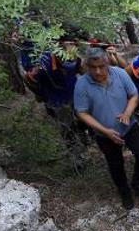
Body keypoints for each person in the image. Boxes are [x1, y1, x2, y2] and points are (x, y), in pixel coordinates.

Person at [74, 47, 139, 209]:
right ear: (87, 66)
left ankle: (138, 183)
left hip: (129, 125)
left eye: (101, 66)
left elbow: (134, 95)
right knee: (115, 164)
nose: (97, 71)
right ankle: (124, 192)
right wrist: (105, 131)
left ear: (107, 62)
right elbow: (81, 112)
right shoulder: (82, 84)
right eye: (93, 67)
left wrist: (127, 113)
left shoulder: (120, 73)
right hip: (104, 134)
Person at [19, 36, 88, 173]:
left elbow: (83, 71)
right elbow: (29, 79)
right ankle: (76, 160)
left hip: (75, 95)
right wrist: (32, 79)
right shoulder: (43, 63)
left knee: (83, 121)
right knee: (67, 129)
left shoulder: (73, 58)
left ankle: (84, 136)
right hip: (57, 101)